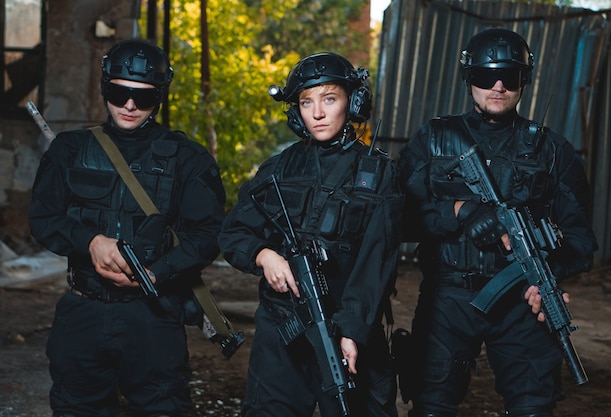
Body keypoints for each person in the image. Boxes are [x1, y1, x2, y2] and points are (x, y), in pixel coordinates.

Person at [397, 28, 598, 417]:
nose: (499, 86)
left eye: (511, 76)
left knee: (533, 407)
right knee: (431, 405)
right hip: (448, 300)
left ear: (525, 80)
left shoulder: (552, 150)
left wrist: (547, 277)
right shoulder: (433, 141)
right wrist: (457, 212)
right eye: (487, 76)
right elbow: (397, 222)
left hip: (522, 304)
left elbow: (582, 241)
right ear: (469, 78)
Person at [29, 39, 226, 417]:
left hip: (152, 317)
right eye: (120, 93)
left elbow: (208, 234)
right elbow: (43, 218)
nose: (130, 105)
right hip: (83, 312)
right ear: (106, 87)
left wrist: (157, 272)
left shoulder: (188, 159)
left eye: (144, 97)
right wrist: (90, 242)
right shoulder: (69, 149)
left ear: (161, 97)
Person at [218, 52, 404, 417]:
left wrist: (352, 331)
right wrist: (263, 255)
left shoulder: (379, 173)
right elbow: (235, 230)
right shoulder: (280, 166)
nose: (317, 113)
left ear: (353, 101)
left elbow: (376, 263)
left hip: (345, 325)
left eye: (329, 99)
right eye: (306, 102)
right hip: (281, 325)